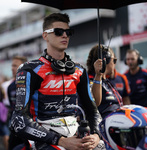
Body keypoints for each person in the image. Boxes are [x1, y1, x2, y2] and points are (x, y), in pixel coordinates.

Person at [10, 13, 101, 150]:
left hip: (75, 134)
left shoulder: (79, 70)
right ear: (45, 35)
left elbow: (92, 111)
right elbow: (18, 121)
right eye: (58, 32)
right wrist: (61, 141)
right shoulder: (29, 70)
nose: (65, 35)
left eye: (68, 32)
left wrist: (96, 134)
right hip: (43, 137)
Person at [86, 44, 123, 119]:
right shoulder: (90, 81)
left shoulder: (107, 81)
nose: (114, 63)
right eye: (114, 60)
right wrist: (98, 75)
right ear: (106, 60)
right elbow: (94, 102)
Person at [7, 56, 28, 150]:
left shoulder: (30, 84)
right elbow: (11, 105)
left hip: (28, 126)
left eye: (15, 65)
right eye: (12, 66)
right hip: (14, 127)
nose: (12, 68)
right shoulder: (10, 87)